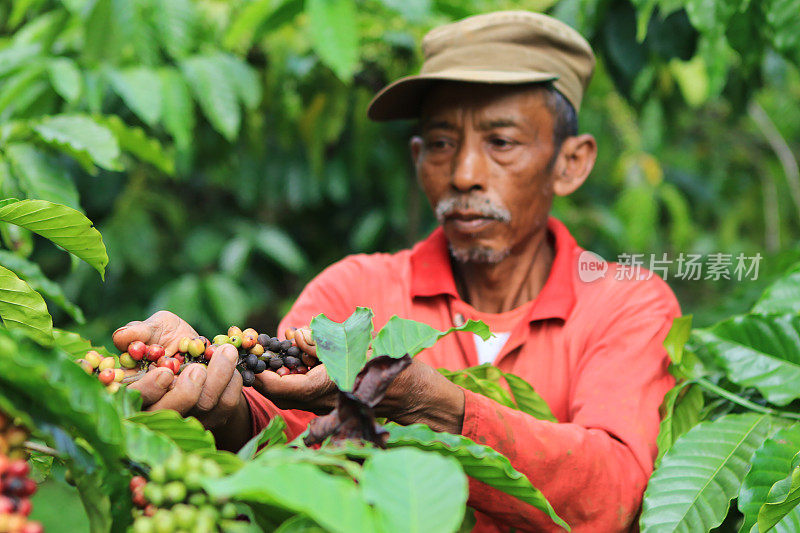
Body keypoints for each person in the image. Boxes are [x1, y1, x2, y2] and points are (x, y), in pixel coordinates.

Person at [112, 11, 681, 532]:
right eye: (440, 143)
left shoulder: (627, 303)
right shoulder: (353, 291)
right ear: (416, 158)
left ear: (571, 162)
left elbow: (613, 491)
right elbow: (285, 443)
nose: (463, 173)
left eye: (501, 142)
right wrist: (225, 401)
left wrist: (431, 404)